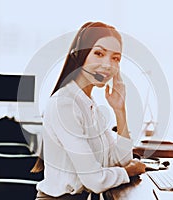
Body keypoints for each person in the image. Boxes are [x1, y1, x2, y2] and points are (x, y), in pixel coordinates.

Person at [33, 21, 146, 200]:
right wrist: (128, 171)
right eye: (99, 54)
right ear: (80, 54)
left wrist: (120, 110)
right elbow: (95, 180)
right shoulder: (65, 104)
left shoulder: (90, 105)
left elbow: (119, 160)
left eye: (115, 58)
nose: (108, 65)